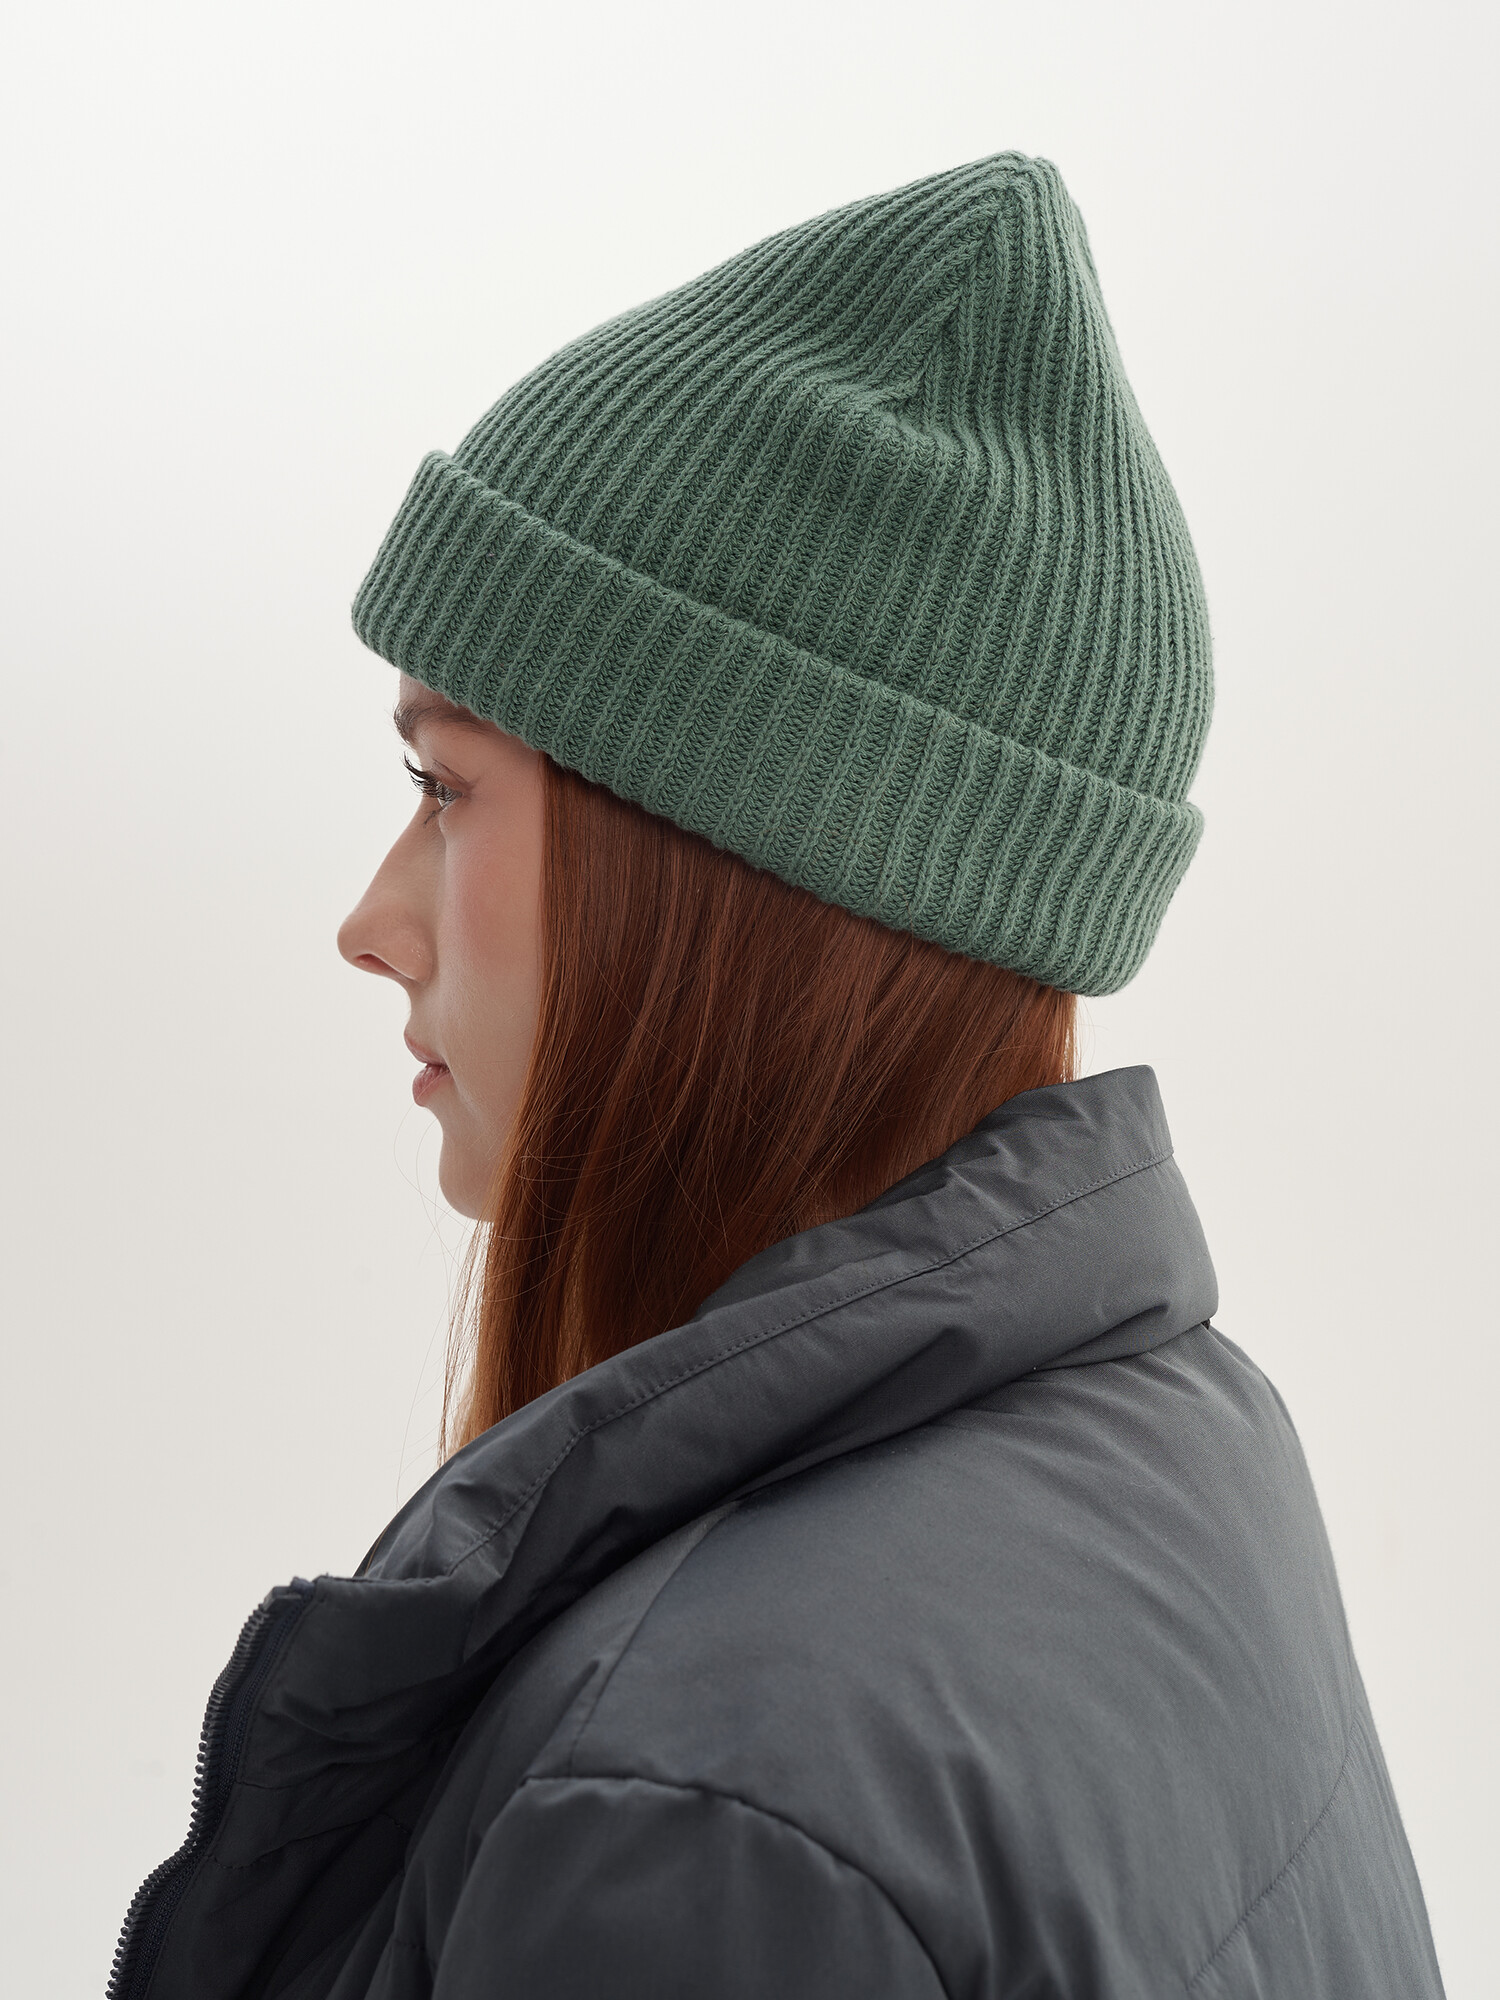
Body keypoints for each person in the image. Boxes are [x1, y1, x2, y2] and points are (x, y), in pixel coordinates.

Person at [109, 153, 1444, 1999]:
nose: (372, 922)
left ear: (731, 871)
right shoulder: (1177, 1433)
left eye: (444, 788)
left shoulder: (692, 1809)